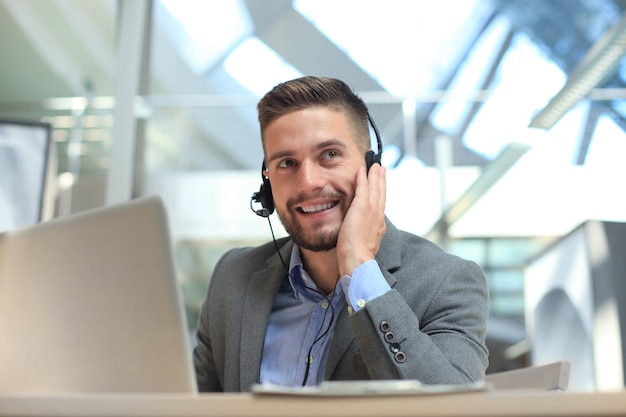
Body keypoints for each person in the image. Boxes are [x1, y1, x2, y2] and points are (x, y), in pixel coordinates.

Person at [193, 76, 489, 392]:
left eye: (329, 154)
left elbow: (454, 408)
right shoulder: (233, 277)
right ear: (266, 187)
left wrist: (361, 268)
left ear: (372, 168)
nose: (308, 182)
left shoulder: (448, 283)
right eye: (287, 162)